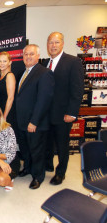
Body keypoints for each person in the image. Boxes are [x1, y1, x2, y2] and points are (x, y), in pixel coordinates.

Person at [43, 32, 84, 185]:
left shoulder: (73, 62)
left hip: (63, 114)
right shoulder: (46, 63)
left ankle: (61, 173)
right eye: (50, 42)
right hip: (46, 114)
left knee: (61, 145)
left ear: (62, 44)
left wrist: (72, 112)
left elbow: (78, 89)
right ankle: (48, 165)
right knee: (47, 142)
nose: (53, 45)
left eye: (56, 42)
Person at [16, 44, 54, 189]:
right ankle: (27, 168)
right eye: (26, 54)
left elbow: (44, 100)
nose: (28, 57)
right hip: (21, 121)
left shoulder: (44, 73)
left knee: (36, 150)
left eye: (31, 54)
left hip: (34, 123)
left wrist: (34, 121)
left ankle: (38, 176)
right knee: (25, 149)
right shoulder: (23, 73)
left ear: (38, 56)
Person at [0, 52, 17, 129]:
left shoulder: (9, 76)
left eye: (4, 61)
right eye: (0, 61)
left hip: (8, 113)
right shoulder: (1, 76)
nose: (2, 63)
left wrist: (4, 116)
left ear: (10, 62)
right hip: (1, 110)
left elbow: (10, 98)